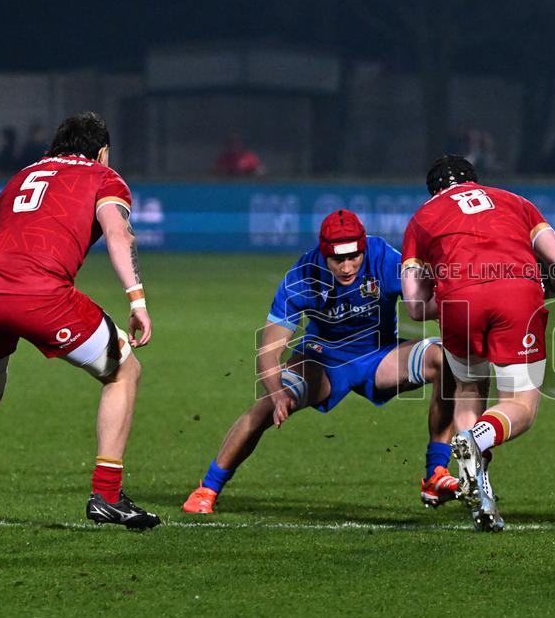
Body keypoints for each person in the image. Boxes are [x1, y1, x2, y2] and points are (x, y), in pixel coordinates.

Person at [0, 112, 160, 530]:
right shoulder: (102, 176)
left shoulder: (22, 175)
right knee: (124, 369)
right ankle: (107, 496)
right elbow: (118, 234)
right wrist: (137, 299)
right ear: (103, 150)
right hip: (40, 294)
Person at [182, 210, 459, 514]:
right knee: (264, 406)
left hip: (380, 357)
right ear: (323, 253)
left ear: (363, 247)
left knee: (445, 359)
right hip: (324, 361)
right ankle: (207, 489)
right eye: (337, 260)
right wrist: (277, 396)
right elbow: (268, 352)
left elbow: (435, 298)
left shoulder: (384, 257)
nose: (347, 266)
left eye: (354, 257)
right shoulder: (302, 275)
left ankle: (435, 472)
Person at [401, 155, 555, 531]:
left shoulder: (421, 219)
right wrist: (544, 290)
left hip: (459, 303)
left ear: (433, 190)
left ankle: (482, 498)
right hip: (516, 293)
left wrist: (449, 296)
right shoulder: (515, 201)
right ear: (475, 180)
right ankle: (475, 440)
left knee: (467, 388)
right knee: (520, 404)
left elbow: (415, 307)